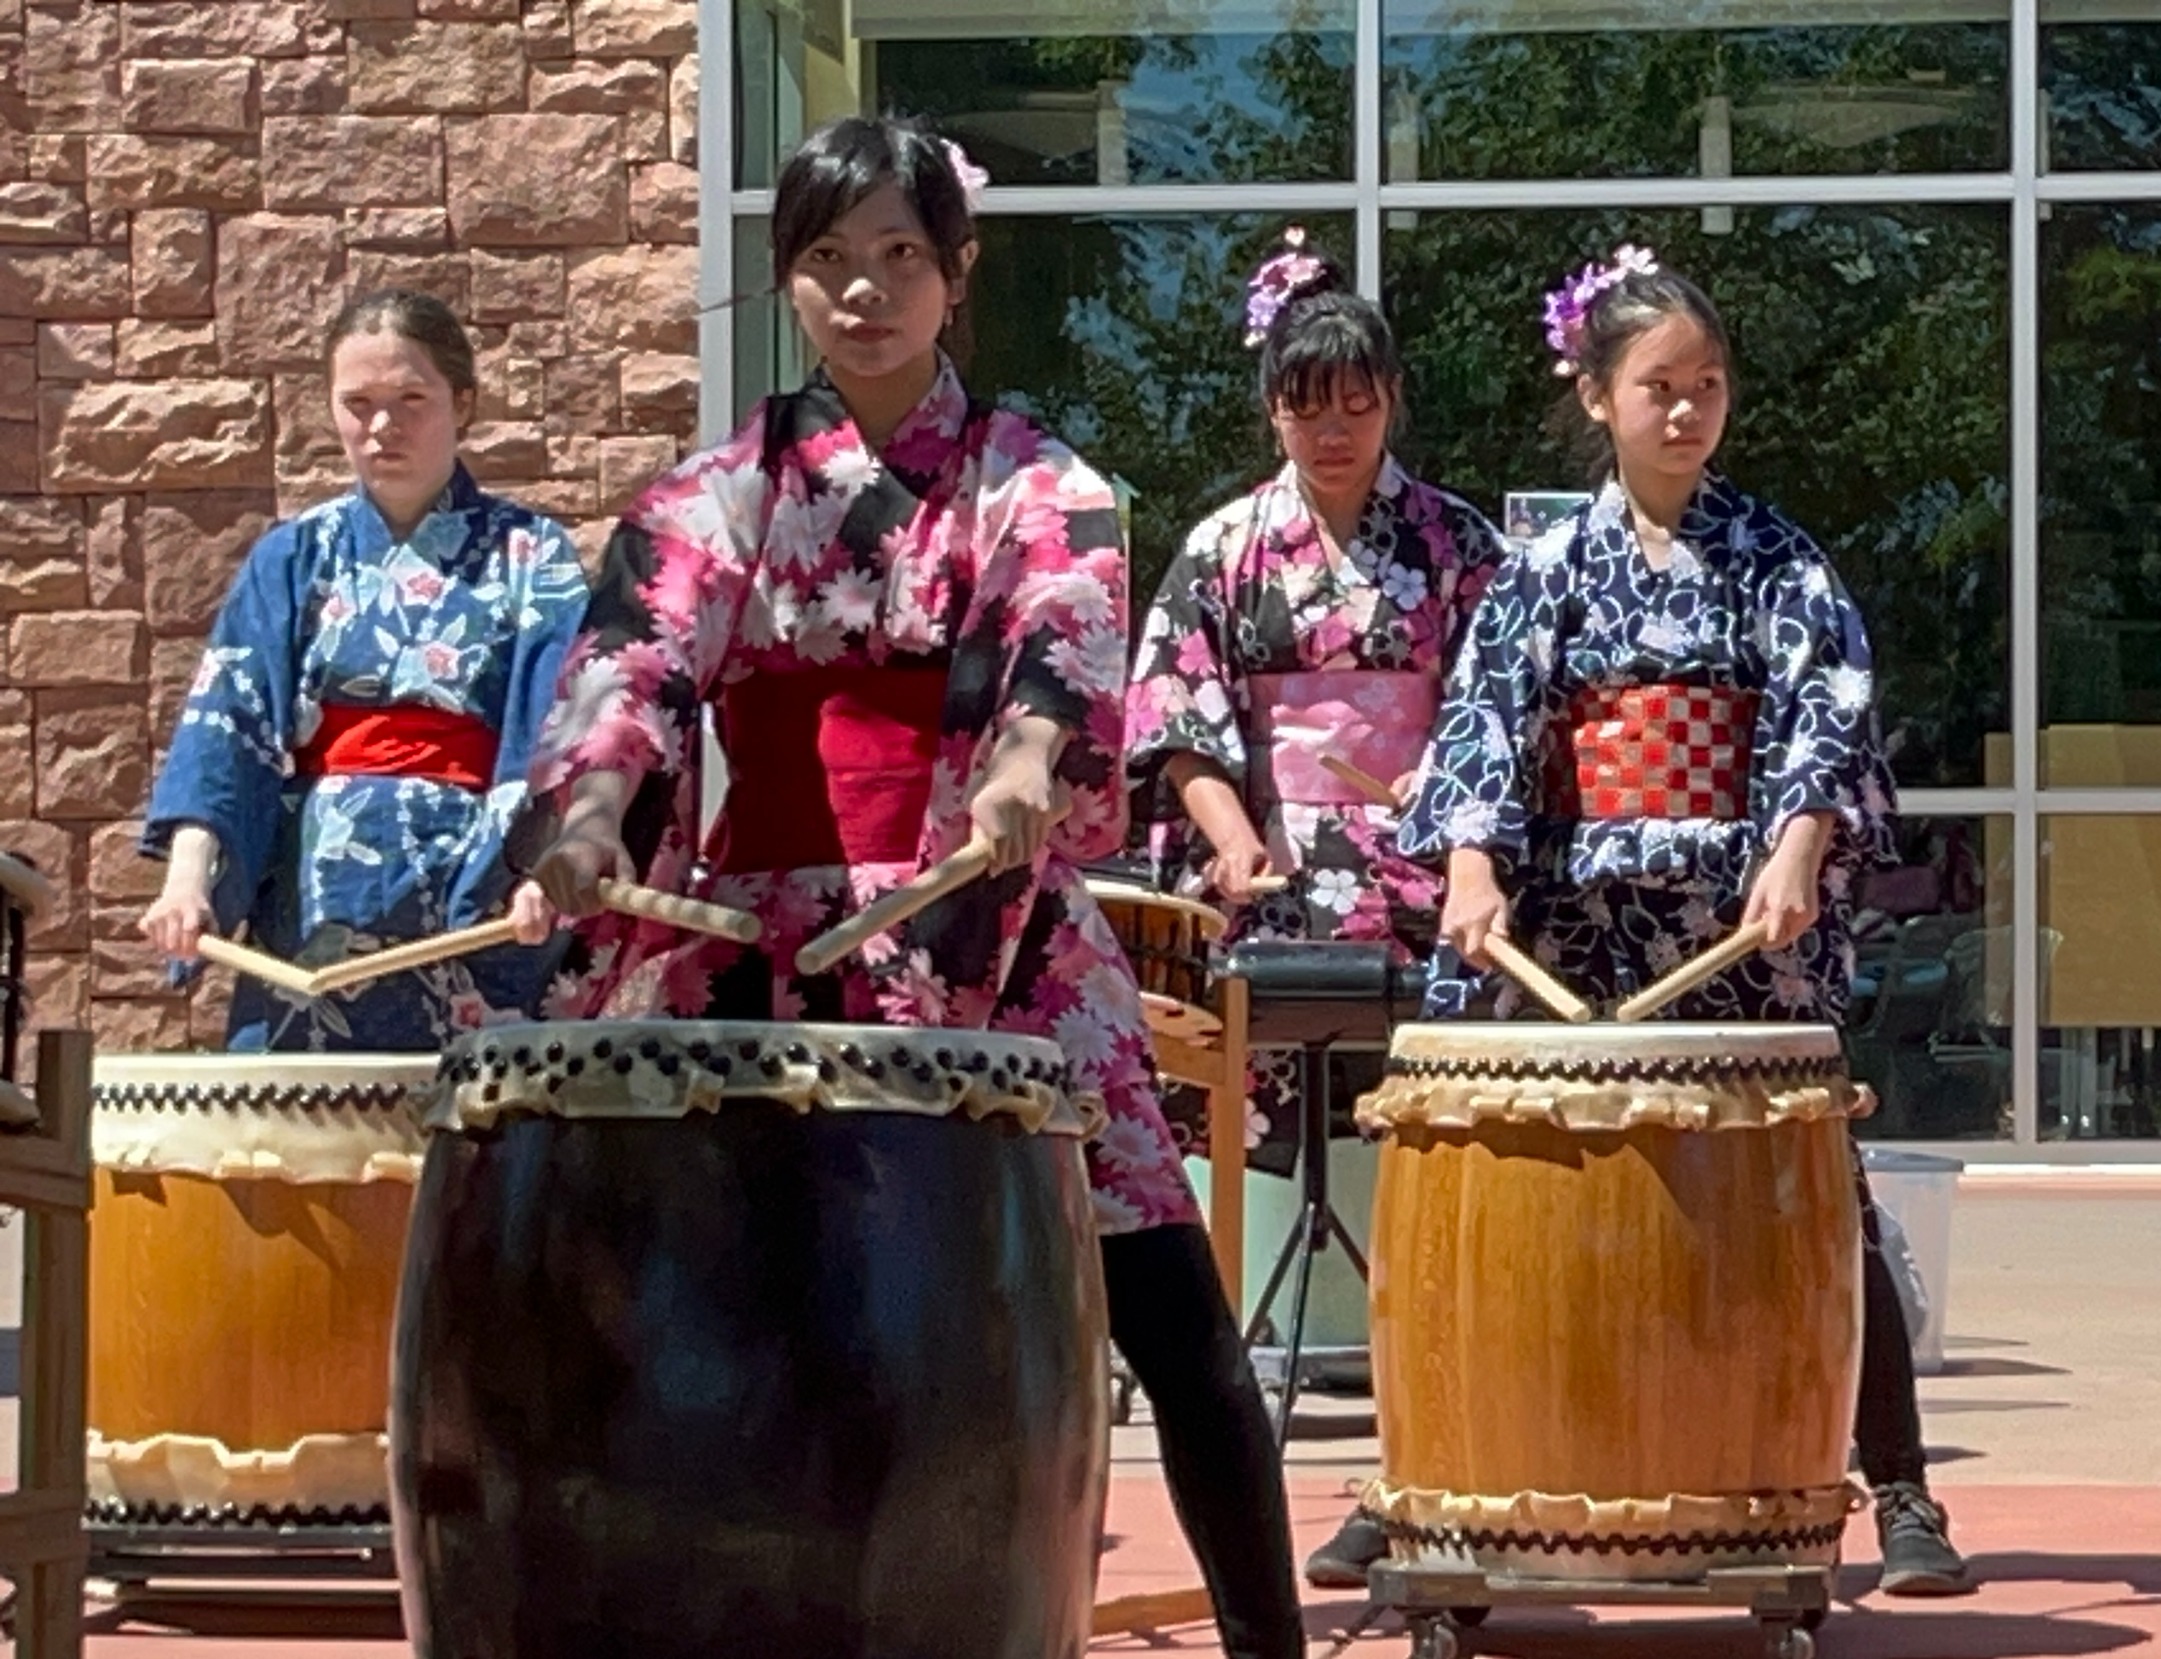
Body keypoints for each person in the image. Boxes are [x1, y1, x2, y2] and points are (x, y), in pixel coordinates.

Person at [515, 117, 1305, 1659]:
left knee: (1178, 1319)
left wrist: (1019, 774)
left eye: (897, 258)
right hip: (749, 944)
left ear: (958, 272)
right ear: (785, 280)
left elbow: (1060, 644)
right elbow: (632, 666)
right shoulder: (713, 492)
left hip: (985, 930)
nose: (862, 293)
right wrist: (593, 813)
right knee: (671, 1306)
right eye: (825, 262)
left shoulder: (1040, 484)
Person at [1397, 245, 1969, 1597]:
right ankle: (1444, 1477)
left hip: (1736, 918)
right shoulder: (1540, 567)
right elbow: (1483, 727)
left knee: (1819, 1193)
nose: (1685, 410)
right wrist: (1470, 865)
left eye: (1707, 385)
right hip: (1570, 924)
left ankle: (1897, 1487)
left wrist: (1798, 847)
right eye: (1658, 385)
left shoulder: (1777, 556)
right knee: (1510, 1179)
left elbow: (1823, 711)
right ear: (1596, 395)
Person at [1128, 228, 1504, 1183]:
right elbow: (1175, 710)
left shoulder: (1456, 541)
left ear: (1391, 405)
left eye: (1355, 405)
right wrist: (1227, 836)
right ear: (1271, 414)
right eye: (1307, 410)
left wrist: (1449, 777)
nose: (1333, 433)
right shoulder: (1221, 545)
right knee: (1246, 1061)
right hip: (1271, 859)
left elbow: (1500, 699)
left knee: (1432, 1099)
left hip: (1422, 852)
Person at [139, 289, 586, 1050]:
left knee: (476, 1139)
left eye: (412, 398)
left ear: (463, 403)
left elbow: (561, 728)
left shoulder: (533, 556)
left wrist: (547, 863)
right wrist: (186, 879)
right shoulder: (291, 557)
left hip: (475, 885)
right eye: (359, 402)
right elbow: (227, 725)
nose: (383, 426)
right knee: (304, 1140)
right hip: (316, 892)